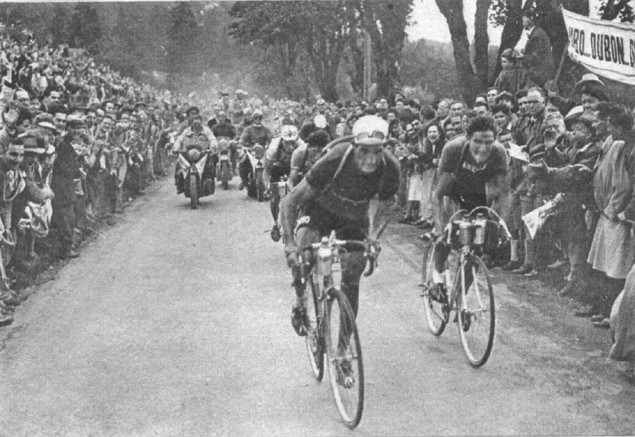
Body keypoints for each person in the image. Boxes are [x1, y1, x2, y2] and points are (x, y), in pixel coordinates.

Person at [280, 115, 400, 338]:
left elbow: (386, 205)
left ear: (385, 147)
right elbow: (290, 201)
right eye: (364, 150)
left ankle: (344, 351)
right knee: (303, 261)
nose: (371, 159)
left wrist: (373, 237)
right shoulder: (336, 157)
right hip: (319, 210)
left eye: (377, 151)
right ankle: (299, 301)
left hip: (354, 219)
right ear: (354, 146)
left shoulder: (391, 166)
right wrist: (289, 245)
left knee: (352, 281)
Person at [430, 116, 510, 291]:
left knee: (477, 246)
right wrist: (438, 228)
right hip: (452, 192)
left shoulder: (499, 152)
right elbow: (437, 194)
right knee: (446, 236)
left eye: (488, 142)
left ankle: (460, 296)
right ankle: (437, 275)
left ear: (495, 140)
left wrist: (502, 223)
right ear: (468, 138)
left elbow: (504, 193)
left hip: (478, 193)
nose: (483, 148)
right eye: (477, 141)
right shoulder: (453, 149)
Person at [263, 124, 304, 242]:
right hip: (277, 168)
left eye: (293, 142)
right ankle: (276, 221)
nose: (290, 146)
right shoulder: (273, 148)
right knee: (274, 198)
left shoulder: (301, 146)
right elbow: (266, 172)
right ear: (282, 140)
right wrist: (267, 189)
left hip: (294, 168)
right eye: (287, 142)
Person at [172, 113, 218, 195]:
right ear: (191, 123)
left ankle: (209, 186)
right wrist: (176, 148)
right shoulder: (187, 131)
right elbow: (179, 140)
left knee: (210, 167)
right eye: (195, 124)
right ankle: (179, 185)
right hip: (189, 155)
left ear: (201, 123)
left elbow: (212, 139)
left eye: (198, 124)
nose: (196, 126)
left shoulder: (206, 130)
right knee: (178, 164)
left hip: (202, 155)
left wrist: (213, 147)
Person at [519, 12, 554, 87]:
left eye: (523, 20)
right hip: (539, 72)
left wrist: (522, 57)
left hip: (538, 74)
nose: (522, 23)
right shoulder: (537, 32)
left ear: (530, 20)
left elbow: (536, 58)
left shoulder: (537, 35)